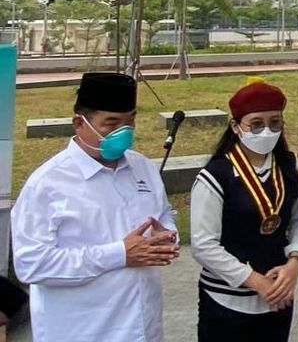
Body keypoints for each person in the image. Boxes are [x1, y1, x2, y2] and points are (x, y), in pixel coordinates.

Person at [10, 72, 179, 342]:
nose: (123, 132)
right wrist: (119, 254)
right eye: (111, 123)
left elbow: (163, 214)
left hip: (144, 329)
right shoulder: (48, 184)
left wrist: (167, 236)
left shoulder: (142, 168)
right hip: (83, 331)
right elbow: (32, 265)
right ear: (79, 122)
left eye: (130, 121)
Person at [191, 78, 298, 342]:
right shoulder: (216, 175)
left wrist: (294, 262)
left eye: (275, 122)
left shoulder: (291, 165)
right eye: (256, 124)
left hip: (278, 296)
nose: (267, 130)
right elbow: (203, 245)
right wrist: (255, 281)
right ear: (236, 126)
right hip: (226, 303)